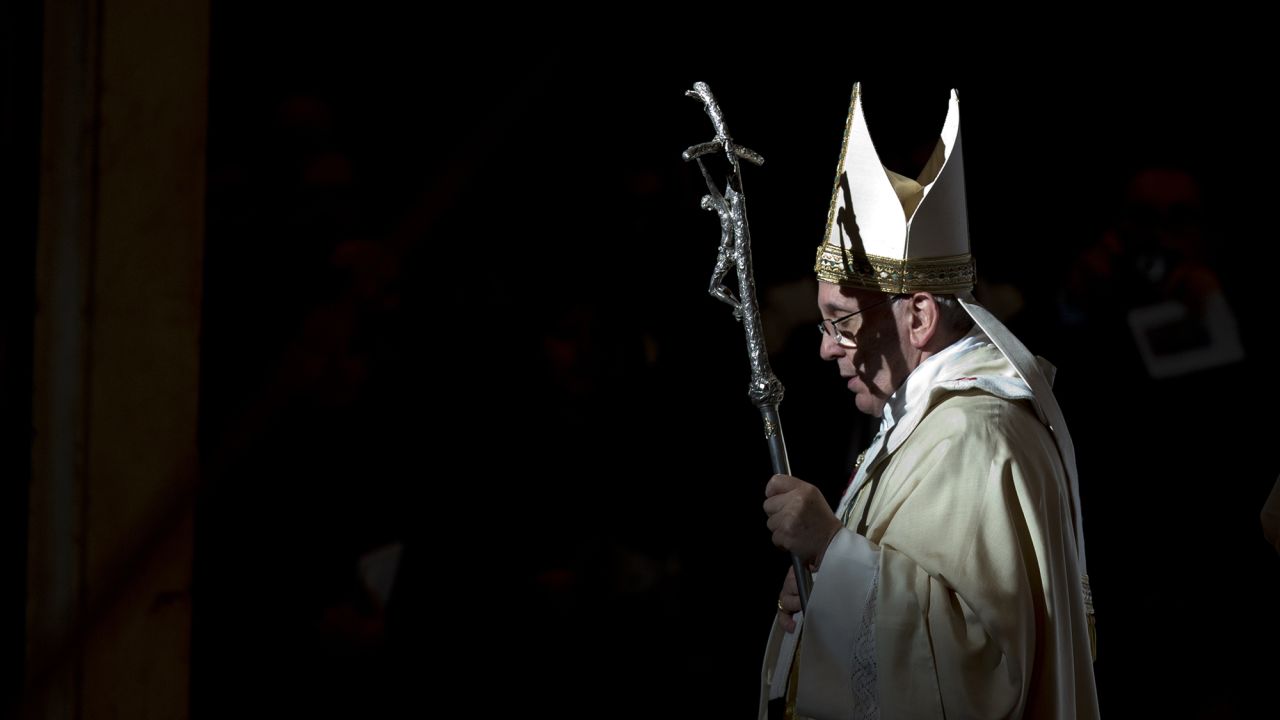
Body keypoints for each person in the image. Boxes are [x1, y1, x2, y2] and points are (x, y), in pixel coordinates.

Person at [758, 84, 1099, 719]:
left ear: (917, 316)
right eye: (823, 325)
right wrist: (821, 588)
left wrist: (832, 551)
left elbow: (981, 670)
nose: (829, 350)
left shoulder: (974, 435)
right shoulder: (924, 420)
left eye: (842, 323)